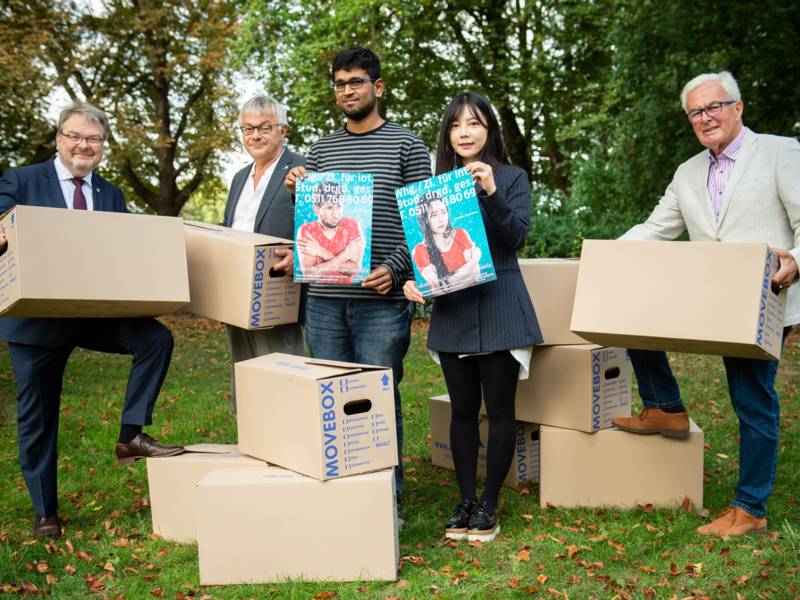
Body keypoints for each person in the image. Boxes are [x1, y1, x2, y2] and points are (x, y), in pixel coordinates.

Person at [611, 71, 800, 538]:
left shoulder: (779, 152)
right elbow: (655, 230)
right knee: (632, 319)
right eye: (696, 111)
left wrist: (795, 259)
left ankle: (750, 508)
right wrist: (604, 258)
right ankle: (664, 406)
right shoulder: (688, 171)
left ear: (738, 107)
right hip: (704, 297)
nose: (705, 117)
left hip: (760, 300)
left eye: (714, 106)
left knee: (751, 399)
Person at [0, 102, 184, 540]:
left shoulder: (109, 193)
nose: (85, 145)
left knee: (155, 339)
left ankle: (131, 434)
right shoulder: (21, 179)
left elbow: (116, 251)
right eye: (75, 136)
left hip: (91, 314)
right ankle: (46, 512)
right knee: (39, 417)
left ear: (103, 145)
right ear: (59, 138)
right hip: (36, 320)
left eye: (94, 139)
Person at [284, 47, 431, 505]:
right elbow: (313, 223)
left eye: (356, 82)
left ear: (378, 87)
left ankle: (387, 499)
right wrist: (297, 192)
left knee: (377, 398)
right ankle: (342, 496)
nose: (347, 91)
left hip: (382, 304)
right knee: (330, 399)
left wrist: (395, 268)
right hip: (325, 301)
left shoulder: (408, 145)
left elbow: (423, 221)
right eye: (340, 84)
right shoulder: (322, 149)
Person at [404, 91, 542, 542]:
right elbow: (424, 250)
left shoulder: (512, 177)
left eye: (475, 123)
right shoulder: (436, 188)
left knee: (500, 411)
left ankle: (489, 504)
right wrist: (415, 282)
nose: (465, 132)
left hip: (501, 302)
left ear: (490, 130)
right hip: (455, 310)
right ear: (448, 134)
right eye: (457, 125)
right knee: (462, 411)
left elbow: (516, 237)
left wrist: (491, 191)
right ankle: (465, 498)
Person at [223, 95, 305, 413]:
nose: (255, 136)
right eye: (247, 128)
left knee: (283, 382)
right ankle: (254, 443)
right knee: (245, 380)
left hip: (279, 295)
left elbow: (320, 229)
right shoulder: (239, 178)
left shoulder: (302, 170)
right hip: (237, 299)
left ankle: (290, 446)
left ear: (282, 130)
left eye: (264, 127)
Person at [411, 190, 481, 293]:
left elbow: (477, 274)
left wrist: (452, 279)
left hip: (475, 294)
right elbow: (443, 289)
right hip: (447, 304)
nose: (441, 219)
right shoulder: (419, 250)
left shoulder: (460, 234)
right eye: (434, 215)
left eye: (443, 212)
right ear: (424, 219)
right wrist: (474, 260)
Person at [296, 180, 365, 284]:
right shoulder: (307, 230)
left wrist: (320, 252)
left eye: (338, 206)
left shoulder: (353, 225)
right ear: (316, 209)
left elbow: (355, 272)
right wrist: (346, 255)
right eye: (329, 208)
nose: (336, 214)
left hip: (349, 293)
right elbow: (309, 276)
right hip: (320, 294)